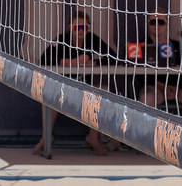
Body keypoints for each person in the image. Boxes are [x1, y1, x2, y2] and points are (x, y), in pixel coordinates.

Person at [33, 11, 118, 156]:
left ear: (88, 28)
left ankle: (93, 138)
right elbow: (44, 58)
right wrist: (67, 62)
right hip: (64, 89)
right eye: (75, 27)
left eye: (83, 27)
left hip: (85, 89)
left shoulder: (92, 40)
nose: (79, 31)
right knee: (48, 93)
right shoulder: (62, 40)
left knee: (103, 90)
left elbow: (113, 58)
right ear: (69, 28)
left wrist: (92, 62)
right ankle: (46, 138)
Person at [137, 9, 182, 123]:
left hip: (179, 89)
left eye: (161, 22)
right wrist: (163, 87)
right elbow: (139, 74)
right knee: (147, 97)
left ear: (167, 24)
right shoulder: (140, 45)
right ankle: (149, 138)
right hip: (154, 89)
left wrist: (175, 88)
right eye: (153, 22)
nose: (157, 25)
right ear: (147, 24)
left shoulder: (178, 45)